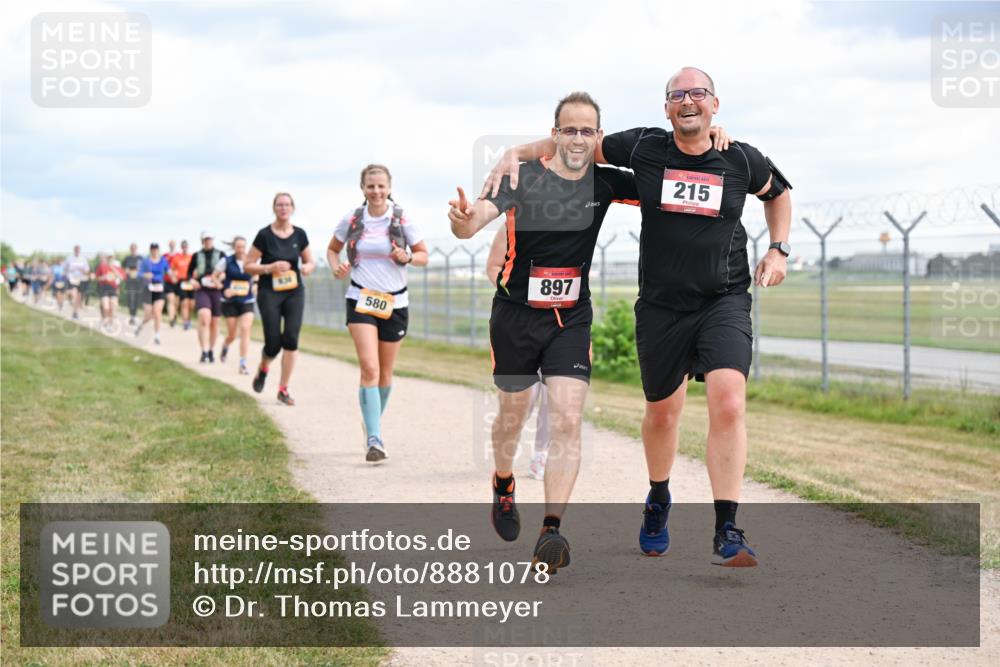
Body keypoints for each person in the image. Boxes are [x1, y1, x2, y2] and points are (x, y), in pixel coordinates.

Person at [487, 68, 791, 567]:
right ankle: (658, 497)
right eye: (677, 95)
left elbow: (777, 193)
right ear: (666, 107)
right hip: (661, 307)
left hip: (724, 298)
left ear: (716, 104)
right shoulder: (644, 149)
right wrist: (516, 153)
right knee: (662, 415)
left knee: (729, 401)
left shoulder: (740, 158)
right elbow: (576, 145)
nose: (687, 101)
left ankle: (727, 527)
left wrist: (778, 249)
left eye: (697, 94)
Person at [449, 92, 642, 573]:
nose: (578, 138)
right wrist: (461, 222)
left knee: (568, 418)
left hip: (570, 318)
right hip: (515, 316)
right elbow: (474, 222)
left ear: (598, 137)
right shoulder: (522, 176)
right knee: (512, 418)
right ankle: (504, 480)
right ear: (554, 134)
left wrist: (714, 142)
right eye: (569, 129)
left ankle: (550, 532)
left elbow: (669, 174)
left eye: (587, 131)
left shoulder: (606, 182)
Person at [327, 166, 428, 460]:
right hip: (361, 298)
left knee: (385, 374)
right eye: (370, 186)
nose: (376, 191)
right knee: (369, 369)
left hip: (394, 303)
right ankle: (375, 438)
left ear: (389, 187)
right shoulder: (353, 219)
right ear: (362, 188)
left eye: (381, 186)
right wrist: (336, 267)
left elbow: (423, 255)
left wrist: (407, 256)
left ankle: (371, 421)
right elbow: (332, 249)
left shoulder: (401, 218)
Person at [486, 226, 550, 480]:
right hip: (519, 321)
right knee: (524, 396)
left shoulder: (569, 225)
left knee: (553, 389)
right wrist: (519, 292)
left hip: (559, 321)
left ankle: (541, 454)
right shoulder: (511, 224)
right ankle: (510, 443)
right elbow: (493, 267)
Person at [246, 192, 316, 405]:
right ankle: (263, 368)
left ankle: (283, 389)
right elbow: (247, 265)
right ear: (274, 208)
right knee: (273, 344)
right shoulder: (264, 235)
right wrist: (270, 267)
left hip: (294, 291)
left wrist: (307, 268)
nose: (283, 208)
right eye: (279, 205)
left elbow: (310, 261)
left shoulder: (300, 235)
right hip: (269, 292)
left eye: (287, 205)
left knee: (291, 340)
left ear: (292, 208)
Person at [213, 236, 257, 375]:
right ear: (234, 247)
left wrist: (255, 285)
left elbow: (257, 276)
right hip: (230, 302)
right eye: (238, 247)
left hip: (247, 300)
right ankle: (226, 345)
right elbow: (214, 277)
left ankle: (243, 363)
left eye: (243, 247)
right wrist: (223, 288)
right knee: (232, 335)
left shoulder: (251, 260)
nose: (241, 250)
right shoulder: (226, 261)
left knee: (245, 329)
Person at [189, 232, 226, 362]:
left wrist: (222, 277)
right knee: (204, 318)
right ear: (202, 241)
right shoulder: (196, 255)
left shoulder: (221, 255)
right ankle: (203, 350)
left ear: (213, 240)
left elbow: (226, 271)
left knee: (215, 322)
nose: (208, 241)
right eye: (205, 239)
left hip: (216, 290)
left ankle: (211, 350)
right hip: (202, 289)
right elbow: (189, 273)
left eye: (209, 239)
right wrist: (192, 281)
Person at [136, 243, 170, 345]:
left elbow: (169, 271)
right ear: (150, 250)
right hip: (148, 289)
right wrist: (145, 275)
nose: (154, 251)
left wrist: (173, 275)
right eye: (153, 249)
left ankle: (157, 335)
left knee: (157, 312)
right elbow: (139, 274)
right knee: (149, 314)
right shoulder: (145, 262)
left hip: (159, 288)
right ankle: (141, 325)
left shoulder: (163, 261)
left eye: (156, 249)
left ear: (158, 250)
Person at [95, 252, 126, 329]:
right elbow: (96, 278)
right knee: (106, 306)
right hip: (104, 287)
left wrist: (113, 269)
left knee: (113, 305)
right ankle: (105, 319)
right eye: (108, 257)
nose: (110, 259)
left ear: (114, 258)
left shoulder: (117, 267)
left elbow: (122, 277)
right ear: (106, 258)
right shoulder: (102, 267)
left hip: (113, 288)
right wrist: (103, 277)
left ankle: (110, 324)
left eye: (111, 257)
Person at [170, 240, 195, 330]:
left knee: (192, 304)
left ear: (188, 247)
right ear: (181, 247)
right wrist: (174, 277)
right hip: (182, 282)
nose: (185, 248)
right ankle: (185, 322)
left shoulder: (192, 257)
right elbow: (172, 270)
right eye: (183, 246)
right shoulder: (177, 258)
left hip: (191, 281)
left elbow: (196, 268)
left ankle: (189, 319)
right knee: (184, 303)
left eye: (186, 246)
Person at [63, 246, 90, 319]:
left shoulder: (83, 259)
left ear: (80, 250)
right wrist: (68, 271)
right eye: (76, 249)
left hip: (81, 279)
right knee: (73, 294)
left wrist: (81, 269)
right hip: (72, 279)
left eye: (78, 250)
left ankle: (75, 313)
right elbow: (64, 268)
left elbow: (87, 271)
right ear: (74, 250)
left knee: (78, 297)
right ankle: (69, 301)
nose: (77, 251)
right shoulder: (69, 258)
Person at [121, 243, 144, 326]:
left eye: (134, 248)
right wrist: (125, 271)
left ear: (137, 248)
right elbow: (122, 268)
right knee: (130, 299)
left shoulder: (141, 258)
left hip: (139, 282)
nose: (133, 249)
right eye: (132, 248)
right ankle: (131, 316)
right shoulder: (127, 259)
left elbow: (144, 268)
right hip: (130, 282)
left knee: (137, 300)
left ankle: (134, 316)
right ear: (130, 249)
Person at [163, 239, 181, 326]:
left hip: (178, 281)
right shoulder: (165, 256)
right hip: (168, 281)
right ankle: (171, 319)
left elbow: (181, 268)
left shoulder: (179, 255)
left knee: (176, 302)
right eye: (170, 244)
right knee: (170, 299)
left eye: (173, 244)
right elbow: (162, 267)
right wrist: (170, 276)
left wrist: (176, 276)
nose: (172, 245)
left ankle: (174, 315)